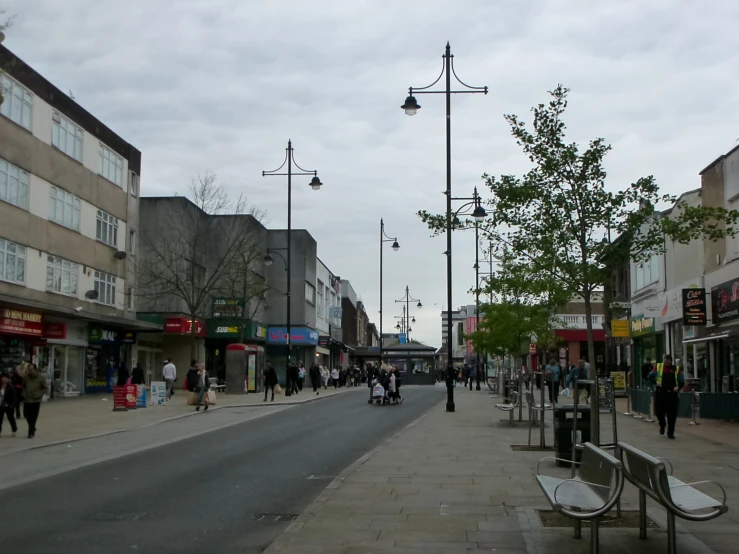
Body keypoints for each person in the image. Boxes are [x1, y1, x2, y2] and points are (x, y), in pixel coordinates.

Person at [648, 354, 684, 439]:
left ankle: (670, 433)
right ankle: (662, 424)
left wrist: (678, 387)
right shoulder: (658, 367)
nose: (667, 362)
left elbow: (682, 381)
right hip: (661, 393)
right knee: (659, 412)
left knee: (672, 415)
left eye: (668, 360)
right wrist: (655, 382)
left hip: (672, 394)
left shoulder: (676, 369)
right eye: (665, 360)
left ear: (671, 361)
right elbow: (650, 376)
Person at [21, 363, 47, 438]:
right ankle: (33, 428)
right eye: (29, 370)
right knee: (26, 415)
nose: (30, 371)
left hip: (36, 400)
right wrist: (24, 394)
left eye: (31, 369)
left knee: (33, 417)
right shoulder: (26, 378)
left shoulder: (41, 378)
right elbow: (23, 386)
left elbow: (45, 388)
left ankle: (30, 432)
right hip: (27, 399)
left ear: (35, 369)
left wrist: (39, 395)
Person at [0, 372, 18, 436]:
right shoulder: (0, 386)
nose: (3, 379)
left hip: (8, 405)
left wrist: (12, 405)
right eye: (3, 378)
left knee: (11, 418)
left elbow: (14, 397)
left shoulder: (11, 387)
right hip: (1, 405)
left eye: (5, 378)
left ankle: (14, 429)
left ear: (8, 379)